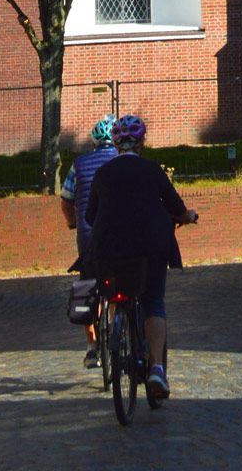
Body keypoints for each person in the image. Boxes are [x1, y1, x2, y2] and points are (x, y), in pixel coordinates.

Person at [82, 111, 198, 403]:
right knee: (153, 303)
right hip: (151, 248)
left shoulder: (103, 173)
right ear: (142, 141)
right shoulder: (152, 169)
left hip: (109, 251)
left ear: (117, 144)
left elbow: (89, 215)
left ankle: (114, 337)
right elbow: (176, 206)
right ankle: (157, 368)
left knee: (115, 292)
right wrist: (188, 217)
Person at [60, 113, 118, 366]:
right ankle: (119, 329)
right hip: (119, 236)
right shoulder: (123, 161)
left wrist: (72, 222)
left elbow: (66, 200)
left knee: (89, 286)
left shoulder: (79, 164)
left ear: (94, 141)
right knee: (121, 285)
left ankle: (92, 346)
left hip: (88, 236)